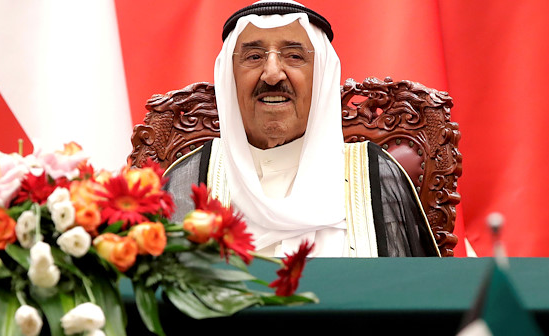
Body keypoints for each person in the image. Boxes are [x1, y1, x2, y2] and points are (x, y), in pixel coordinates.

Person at [163, 0, 440, 258]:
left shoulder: (374, 177)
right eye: (253, 57)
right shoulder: (188, 181)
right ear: (229, 77)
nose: (272, 74)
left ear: (320, 77)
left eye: (294, 56)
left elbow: (405, 295)